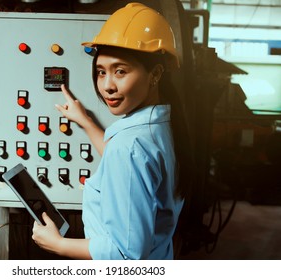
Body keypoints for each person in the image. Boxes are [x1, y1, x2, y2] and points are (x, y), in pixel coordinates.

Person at [32, 2, 193, 260]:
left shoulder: (129, 147)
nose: (107, 86)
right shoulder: (163, 126)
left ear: (155, 74)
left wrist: (58, 244)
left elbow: (125, 253)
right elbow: (132, 169)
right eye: (100, 72)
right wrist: (85, 121)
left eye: (120, 71)